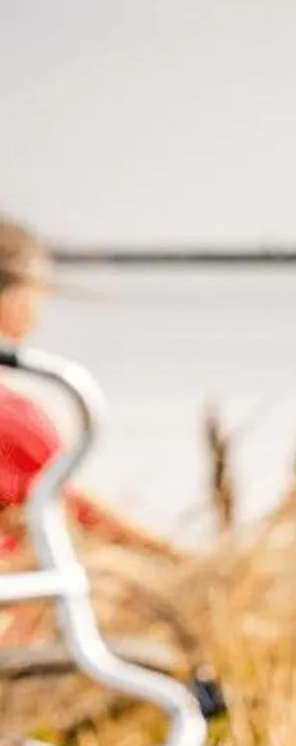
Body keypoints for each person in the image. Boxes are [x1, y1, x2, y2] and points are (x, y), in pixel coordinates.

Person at [0, 218, 179, 561]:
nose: (39, 310)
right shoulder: (11, 415)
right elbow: (68, 508)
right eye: (37, 291)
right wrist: (183, 559)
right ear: (12, 295)